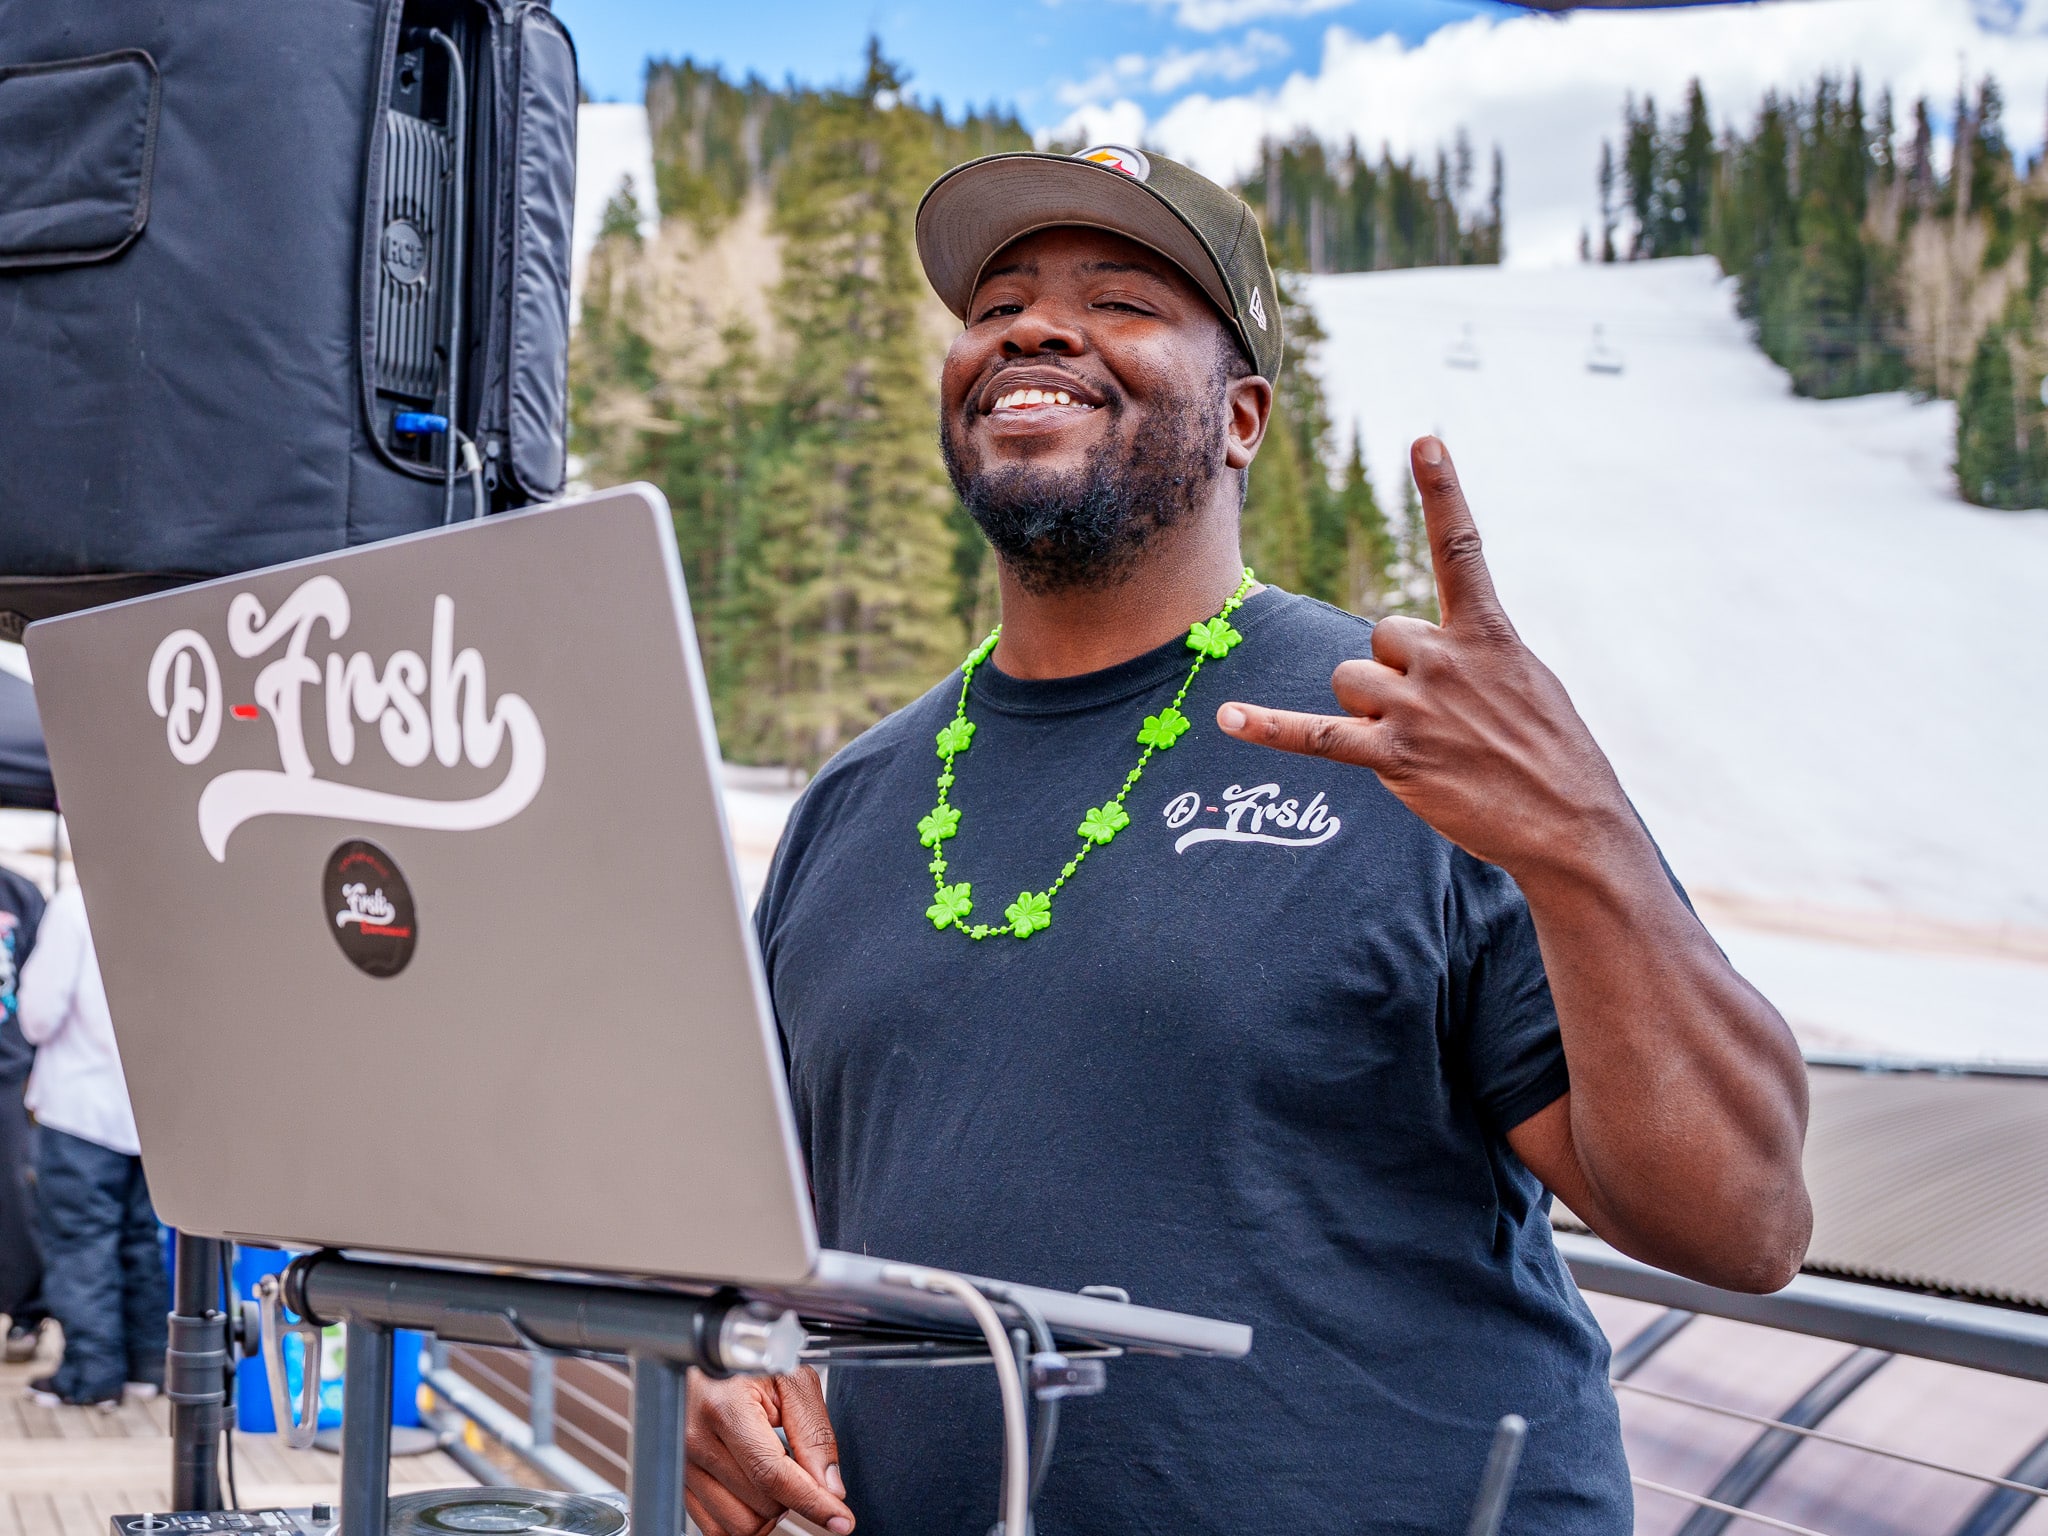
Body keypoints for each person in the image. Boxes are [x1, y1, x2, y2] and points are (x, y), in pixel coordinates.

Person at [685, 147, 1812, 1535]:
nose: (1034, 329)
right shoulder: (852, 803)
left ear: (1243, 418)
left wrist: (1586, 833)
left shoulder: (1414, 743)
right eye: (997, 306)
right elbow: (750, 1236)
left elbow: (1744, 1224)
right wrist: (714, 1358)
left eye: (1122, 300)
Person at [16, 881, 167, 1409]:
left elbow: (37, 1014)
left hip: (79, 1109)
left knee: (81, 1245)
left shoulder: (79, 902)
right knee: (139, 1239)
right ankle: (149, 1366)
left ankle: (91, 1375)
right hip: (148, 1111)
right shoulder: (164, 898)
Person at [0, 865, 47, 1362]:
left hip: (8, 1071)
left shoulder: (20, 892)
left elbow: (41, 984)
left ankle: (28, 1312)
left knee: (13, 1195)